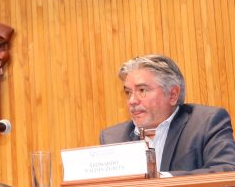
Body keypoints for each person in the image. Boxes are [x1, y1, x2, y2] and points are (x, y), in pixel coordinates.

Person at [100, 54, 235, 176]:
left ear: (173, 95)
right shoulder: (114, 138)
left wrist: (163, 180)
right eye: (128, 92)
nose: (132, 100)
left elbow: (226, 170)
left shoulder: (206, 123)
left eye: (142, 90)